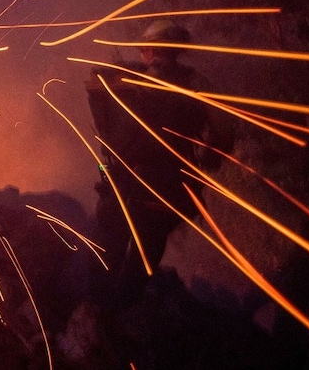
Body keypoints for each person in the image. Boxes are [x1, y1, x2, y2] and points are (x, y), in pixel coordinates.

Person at [85, 20, 235, 316]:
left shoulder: (126, 77)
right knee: (145, 256)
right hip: (167, 188)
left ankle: (95, 312)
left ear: (152, 49)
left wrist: (109, 150)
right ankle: (119, 314)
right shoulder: (197, 84)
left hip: (122, 180)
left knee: (108, 246)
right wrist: (208, 158)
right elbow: (225, 130)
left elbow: (95, 94)